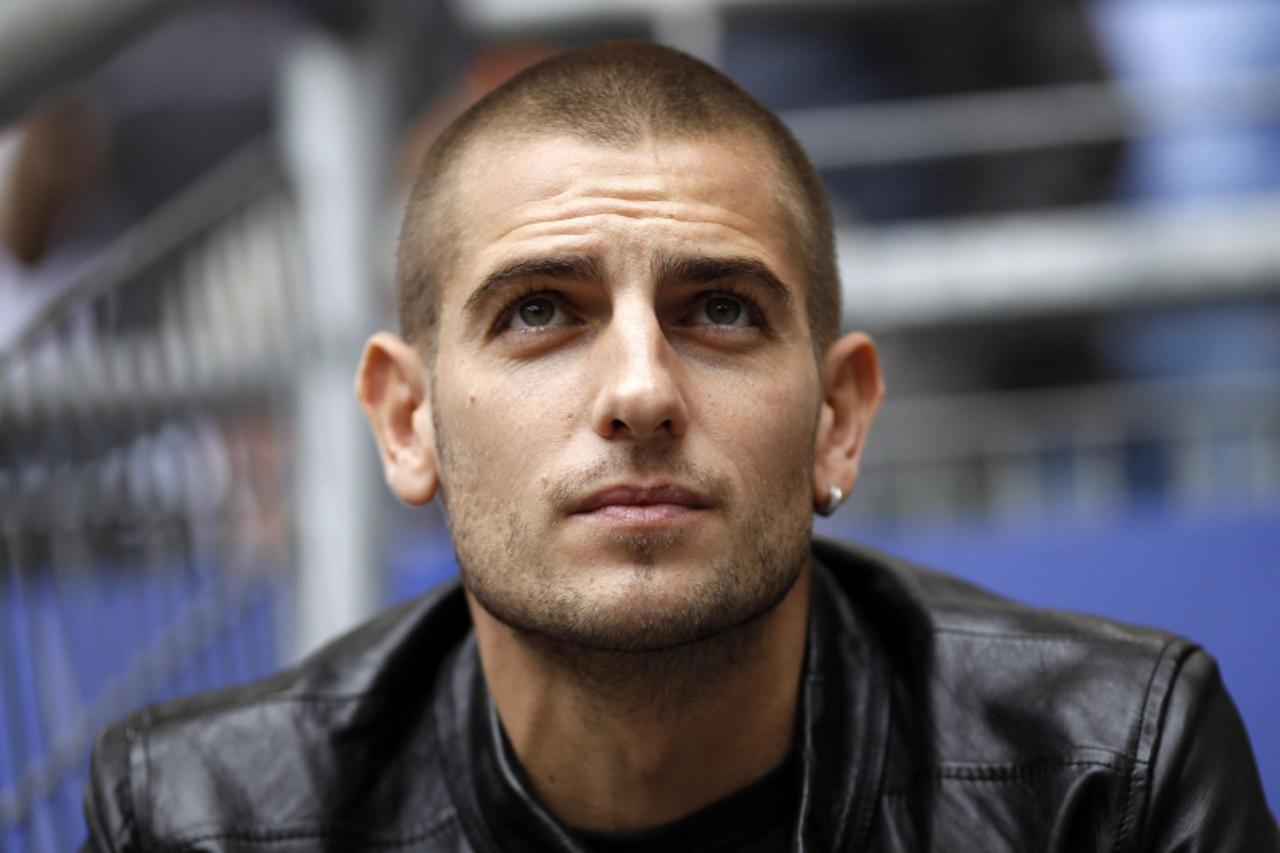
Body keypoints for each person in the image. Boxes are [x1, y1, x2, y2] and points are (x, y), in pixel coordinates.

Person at [83, 41, 1276, 852]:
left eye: (721, 311)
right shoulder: (206, 816)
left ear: (837, 417)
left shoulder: (1104, 780)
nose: (642, 390)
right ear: (409, 421)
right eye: (540, 312)